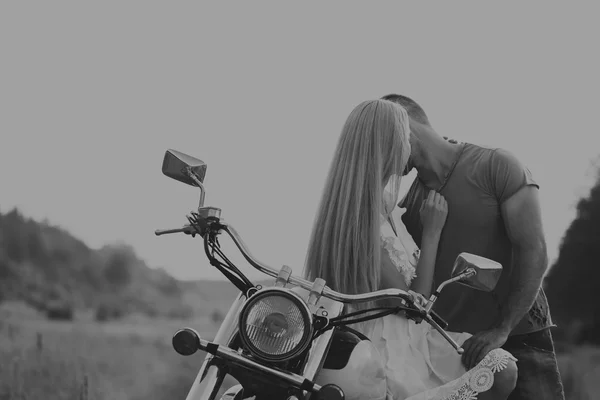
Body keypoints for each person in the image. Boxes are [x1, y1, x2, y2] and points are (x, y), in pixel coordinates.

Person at [304, 99, 518, 400]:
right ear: (385, 144)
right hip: (387, 348)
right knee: (499, 371)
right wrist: (432, 233)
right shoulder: (358, 221)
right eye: (403, 136)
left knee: (501, 368)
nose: (407, 144)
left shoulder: (389, 212)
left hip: (413, 340)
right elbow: (412, 304)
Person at [381, 93, 565, 400]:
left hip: (520, 336)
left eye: (382, 140)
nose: (380, 155)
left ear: (404, 127)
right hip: (459, 355)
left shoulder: (497, 165)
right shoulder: (407, 207)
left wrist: (502, 329)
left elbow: (535, 251)